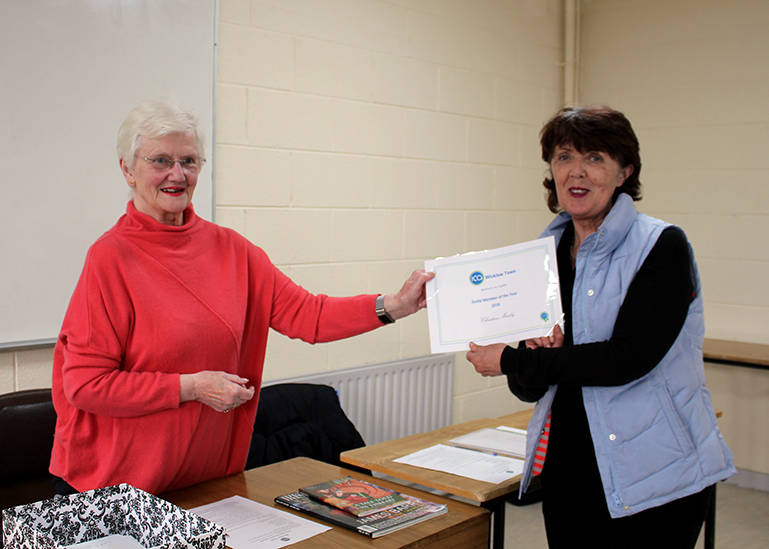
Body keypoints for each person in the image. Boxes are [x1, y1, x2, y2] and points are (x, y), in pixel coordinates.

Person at [49, 97, 434, 496]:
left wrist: (394, 305)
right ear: (128, 169)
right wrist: (190, 387)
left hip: (203, 480)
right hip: (117, 488)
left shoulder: (233, 250)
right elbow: (86, 384)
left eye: (189, 160)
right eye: (160, 161)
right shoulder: (110, 258)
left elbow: (309, 315)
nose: (177, 174)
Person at [466, 105, 734, 548]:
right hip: (570, 470)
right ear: (552, 170)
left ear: (624, 171)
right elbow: (529, 388)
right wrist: (530, 356)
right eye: (565, 156)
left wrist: (512, 359)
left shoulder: (661, 245)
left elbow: (628, 359)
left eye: (595, 158)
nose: (577, 171)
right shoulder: (543, 256)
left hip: (656, 471)